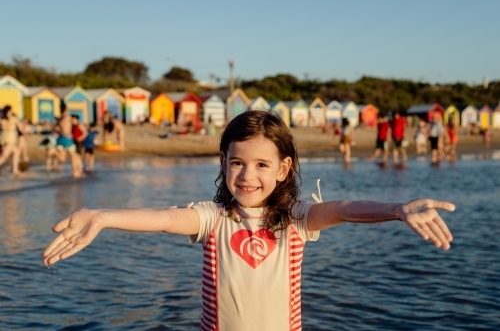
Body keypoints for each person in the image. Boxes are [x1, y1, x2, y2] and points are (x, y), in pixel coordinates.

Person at [43, 111, 454, 330]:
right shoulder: (213, 218)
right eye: (237, 162)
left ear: (283, 168)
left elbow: (344, 208)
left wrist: (396, 209)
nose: (247, 175)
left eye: (261, 164)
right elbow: (163, 218)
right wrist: (102, 214)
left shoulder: (296, 219)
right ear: (224, 163)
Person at [54, 107, 84, 178]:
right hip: (66, 138)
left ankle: (76, 171)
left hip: (62, 138)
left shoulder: (60, 119)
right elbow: (76, 123)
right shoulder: (68, 118)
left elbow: (54, 128)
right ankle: (76, 171)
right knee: (72, 155)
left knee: (64, 158)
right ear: (66, 111)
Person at [0, 106, 23, 175]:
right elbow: (21, 127)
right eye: (11, 111)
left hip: (3, 138)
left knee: (16, 152)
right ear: (8, 111)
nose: (11, 112)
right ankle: (15, 170)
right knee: (5, 156)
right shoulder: (13, 119)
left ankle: (15, 170)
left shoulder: (2, 119)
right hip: (11, 139)